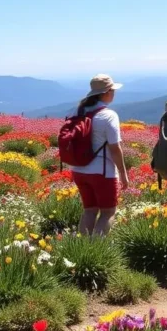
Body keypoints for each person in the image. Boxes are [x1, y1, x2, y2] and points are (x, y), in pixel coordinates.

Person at [66, 74, 130, 236]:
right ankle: (95, 250)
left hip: (79, 170)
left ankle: (84, 249)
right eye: (113, 90)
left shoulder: (77, 110)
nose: (114, 93)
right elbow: (115, 149)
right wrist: (123, 173)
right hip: (102, 173)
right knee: (108, 212)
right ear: (107, 92)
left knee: (89, 211)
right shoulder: (108, 115)